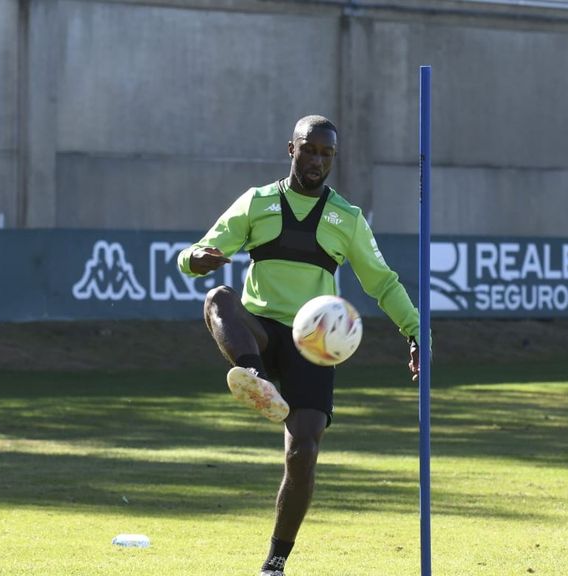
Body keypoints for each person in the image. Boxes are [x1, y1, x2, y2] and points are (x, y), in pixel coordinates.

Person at [176, 115, 421, 576]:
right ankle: (255, 379)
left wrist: (416, 331)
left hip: (313, 345)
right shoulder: (257, 202)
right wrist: (196, 260)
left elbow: (383, 283)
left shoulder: (346, 219)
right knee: (219, 299)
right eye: (309, 149)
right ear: (291, 149)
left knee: (302, 452)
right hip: (261, 332)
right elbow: (195, 254)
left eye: (327, 153)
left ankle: (274, 563)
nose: (317, 160)